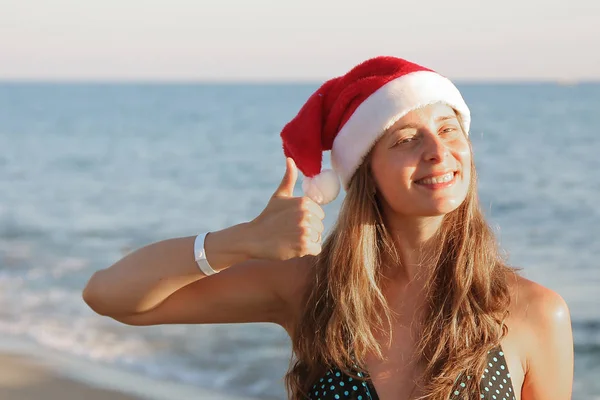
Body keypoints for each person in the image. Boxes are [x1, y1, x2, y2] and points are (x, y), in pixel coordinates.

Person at [82, 56, 574, 400]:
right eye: (406, 138)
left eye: (449, 130)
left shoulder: (533, 312)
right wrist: (239, 241)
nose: (437, 150)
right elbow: (111, 295)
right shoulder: (311, 289)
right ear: (365, 172)